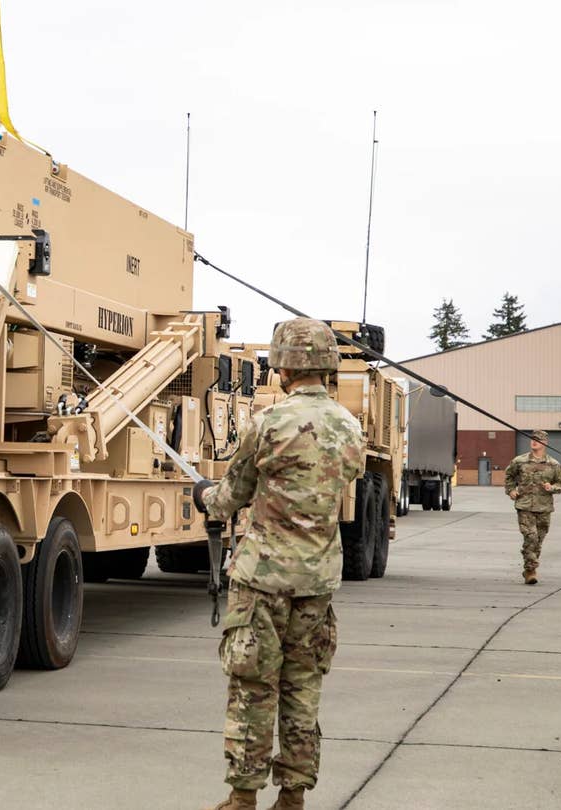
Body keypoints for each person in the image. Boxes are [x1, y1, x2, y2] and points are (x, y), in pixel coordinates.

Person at [193, 318, 365, 810]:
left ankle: (242, 797)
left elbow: (231, 497)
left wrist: (206, 496)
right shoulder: (349, 427)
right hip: (317, 583)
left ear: (282, 367)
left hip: (263, 582)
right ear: (328, 367)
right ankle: (293, 796)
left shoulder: (267, 423)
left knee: (253, 687)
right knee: (303, 689)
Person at [503, 430, 561, 584]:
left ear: (545, 442)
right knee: (530, 536)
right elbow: (509, 476)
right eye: (532, 439)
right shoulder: (520, 461)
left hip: (544, 508)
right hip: (524, 505)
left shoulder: (554, 464)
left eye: (538, 439)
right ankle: (531, 570)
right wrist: (511, 490)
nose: (534, 441)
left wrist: (551, 488)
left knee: (538, 541)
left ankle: (528, 567)